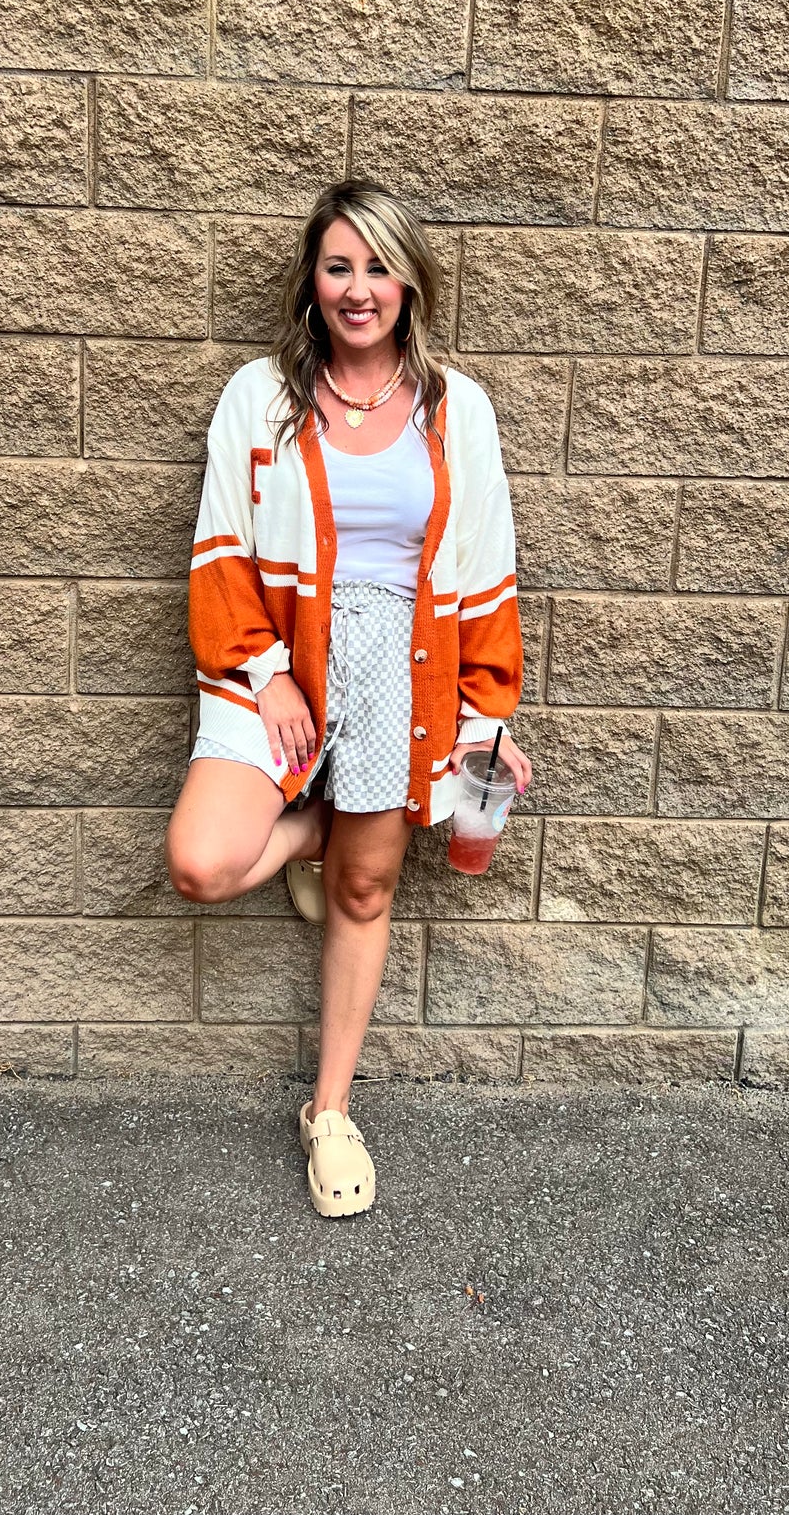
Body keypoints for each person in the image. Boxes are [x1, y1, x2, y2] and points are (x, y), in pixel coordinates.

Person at [164, 180, 533, 1218]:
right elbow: (220, 544)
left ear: (408, 279)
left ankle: (327, 1109)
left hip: (405, 669)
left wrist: (482, 715)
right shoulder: (259, 397)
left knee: (366, 895)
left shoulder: (456, 409)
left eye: (376, 266)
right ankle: (327, 827)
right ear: (312, 281)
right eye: (338, 266)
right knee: (201, 862)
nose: (357, 289)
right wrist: (266, 671)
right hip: (281, 664)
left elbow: (488, 566)